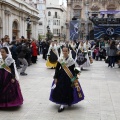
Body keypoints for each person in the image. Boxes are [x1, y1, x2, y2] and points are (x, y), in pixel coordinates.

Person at [49, 46, 84, 112]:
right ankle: (61, 104)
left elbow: (74, 70)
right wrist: (56, 77)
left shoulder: (71, 60)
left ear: (68, 51)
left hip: (69, 77)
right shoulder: (60, 59)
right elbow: (57, 69)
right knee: (61, 89)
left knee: (69, 89)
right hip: (61, 76)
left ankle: (68, 101)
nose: (64, 52)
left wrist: (75, 78)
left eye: (66, 51)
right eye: (63, 51)